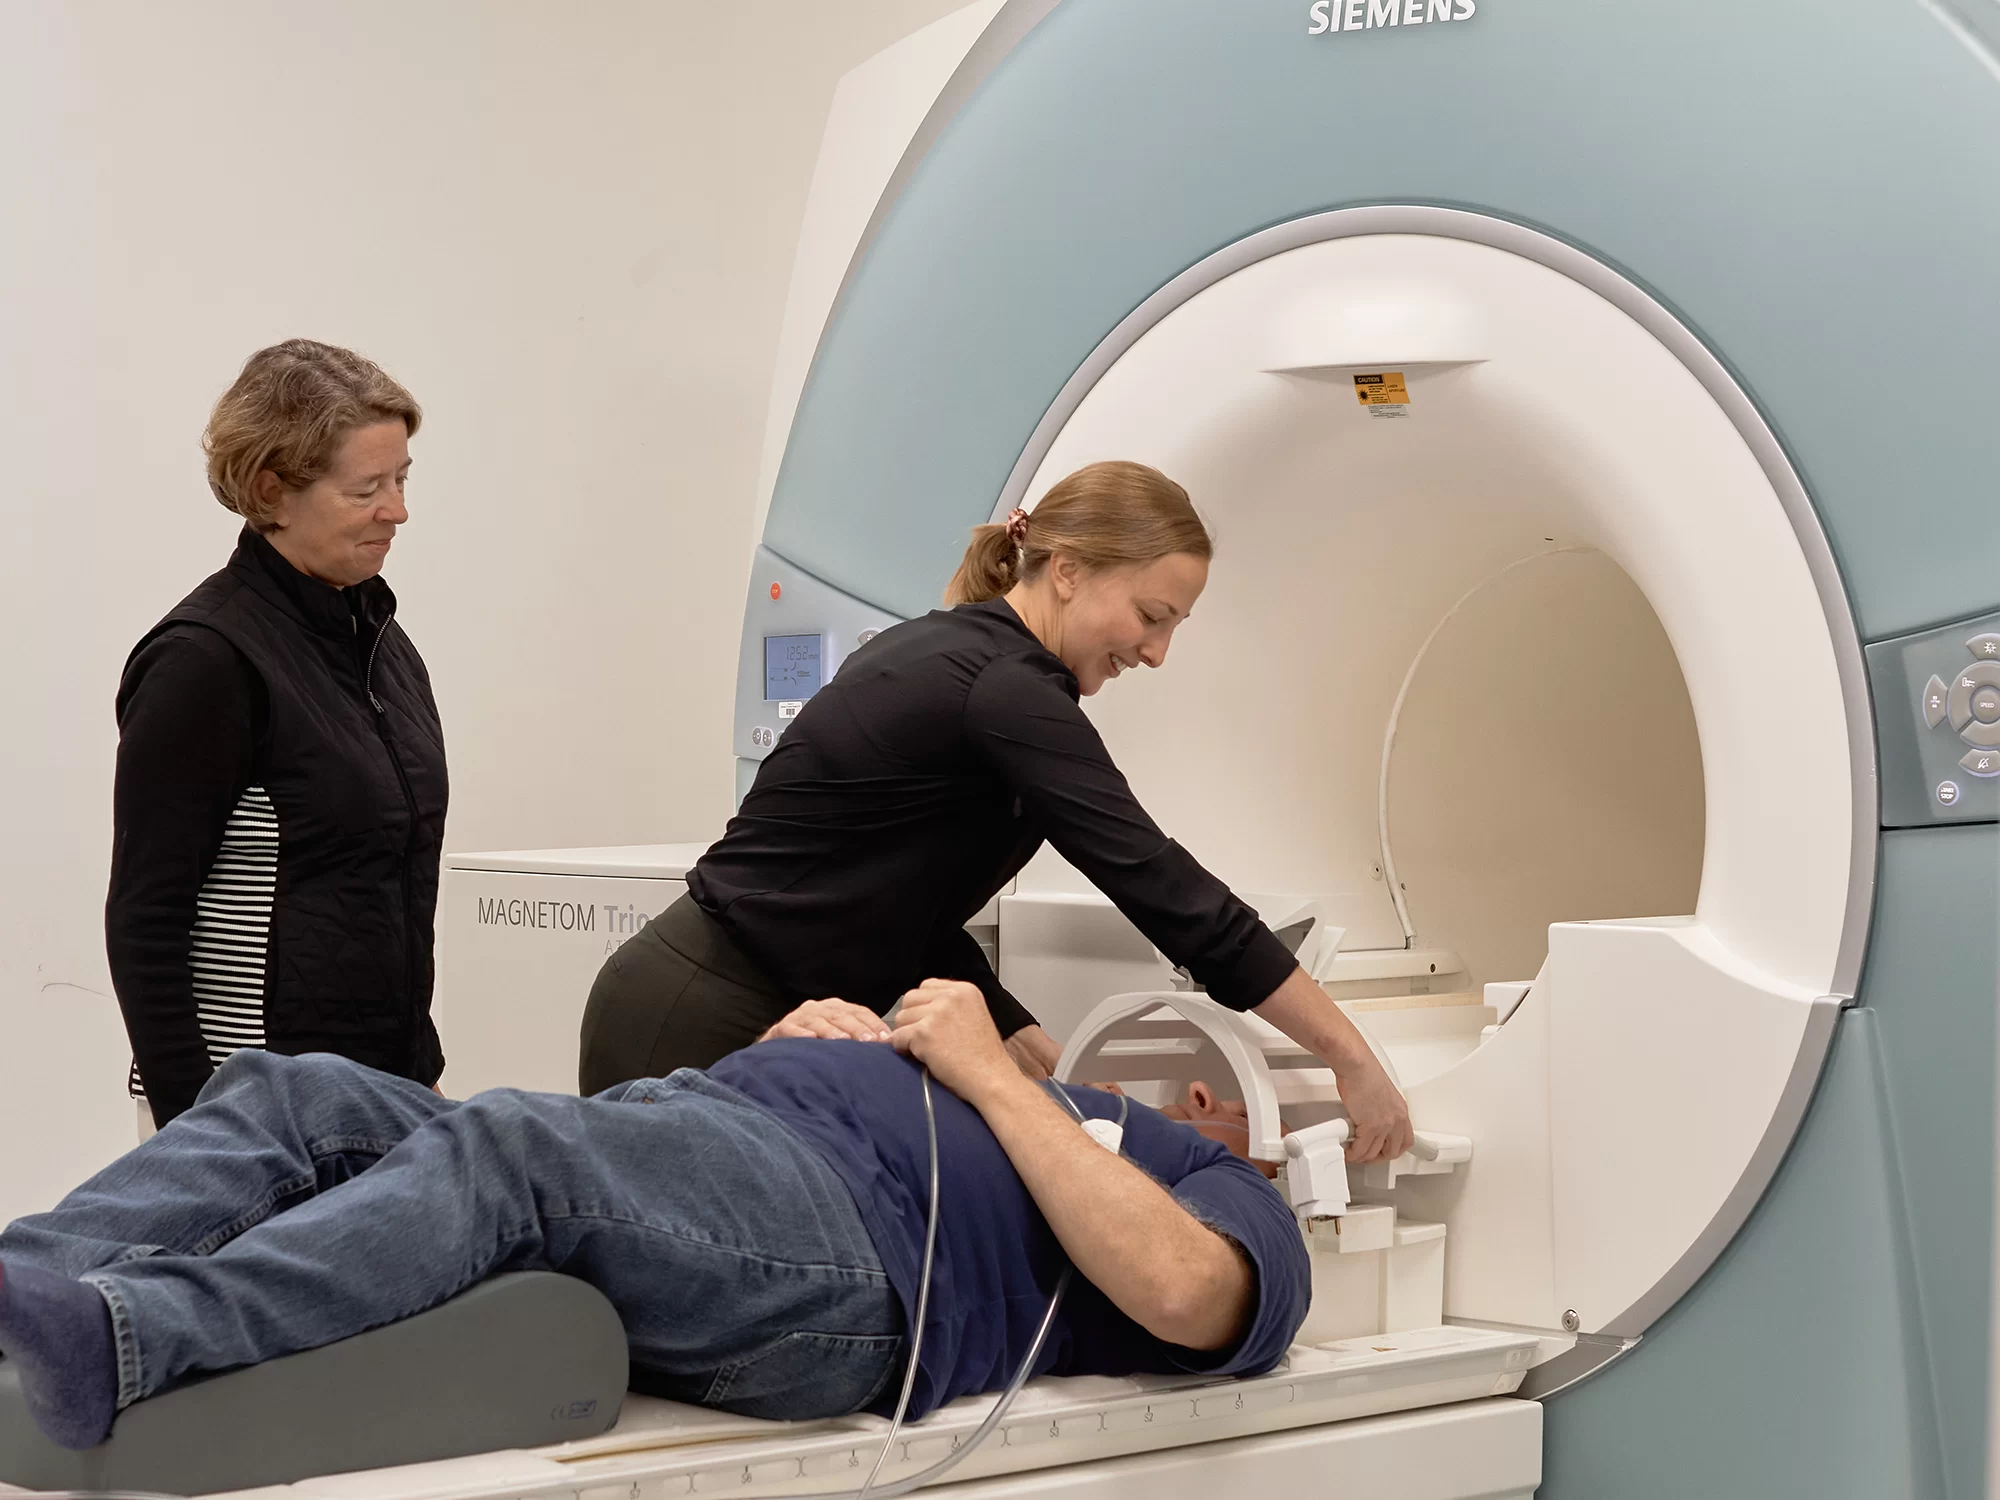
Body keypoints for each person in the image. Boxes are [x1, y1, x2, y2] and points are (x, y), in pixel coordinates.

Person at [0, 982, 1309, 1453]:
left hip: (851, 1262)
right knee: (301, 1092)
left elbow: (1188, 1296)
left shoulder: (1227, 1197)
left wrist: (982, 1073)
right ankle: (25, 1289)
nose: (1206, 1093)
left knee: (513, 1155)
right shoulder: (1051, 1100)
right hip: (727, 1143)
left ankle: (123, 1340)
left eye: (1247, 1094)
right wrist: (815, 1045)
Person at [580, 460, 1413, 1164]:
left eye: (1174, 627)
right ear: (1068, 569)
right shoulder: (1001, 689)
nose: (1157, 652)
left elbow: (908, 912)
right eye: (1151, 617)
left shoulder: (985, 666)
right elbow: (1160, 885)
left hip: (760, 1004)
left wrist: (1039, 1055)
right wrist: (1350, 1059)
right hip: (699, 1011)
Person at [106, 341, 448, 1128]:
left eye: (401, 480)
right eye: (367, 488)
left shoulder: (383, 646)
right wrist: (196, 1130)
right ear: (272, 490)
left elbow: (385, 885)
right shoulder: (205, 660)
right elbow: (145, 918)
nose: (397, 510)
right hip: (250, 1108)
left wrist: (416, 1068)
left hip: (380, 1092)